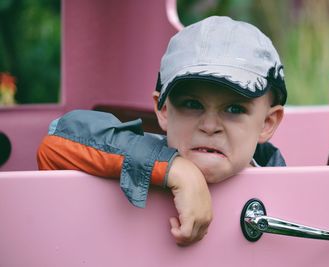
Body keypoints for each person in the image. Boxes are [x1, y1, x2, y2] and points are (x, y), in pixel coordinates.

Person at [37, 16, 287, 246]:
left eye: (234, 109)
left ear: (267, 123)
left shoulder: (281, 179)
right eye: (192, 104)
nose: (210, 126)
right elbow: (54, 144)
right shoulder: (140, 154)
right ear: (164, 110)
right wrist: (177, 169)